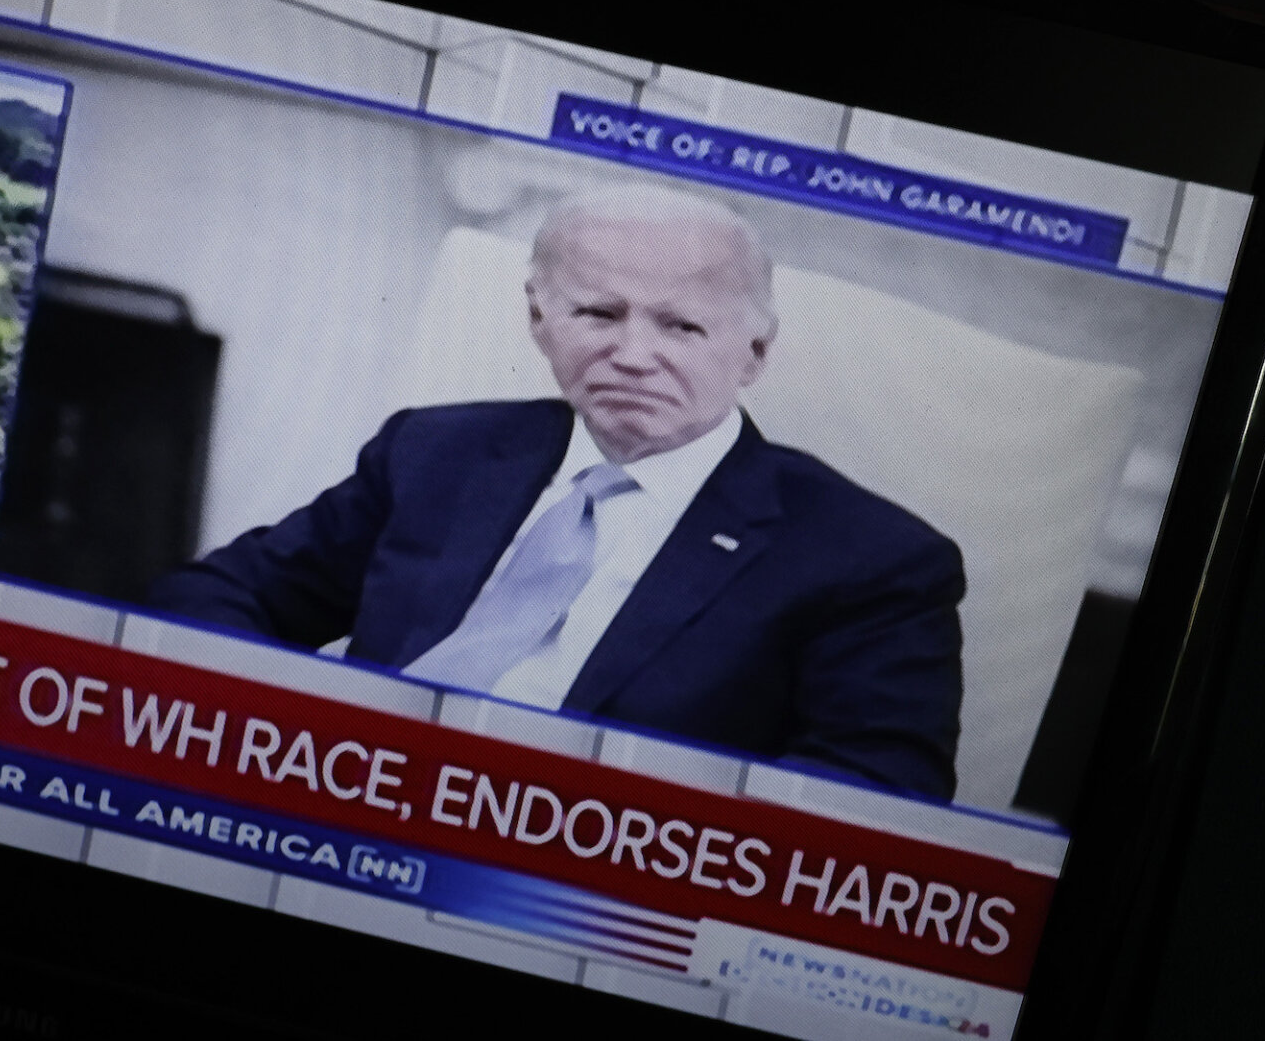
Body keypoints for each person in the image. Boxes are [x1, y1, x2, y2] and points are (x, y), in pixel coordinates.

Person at [147, 184, 965, 800]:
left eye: (680, 326)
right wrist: (294, 741)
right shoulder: (437, 451)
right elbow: (217, 593)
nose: (633, 354)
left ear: (752, 351)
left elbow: (875, 797)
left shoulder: (871, 560)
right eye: (598, 313)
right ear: (540, 320)